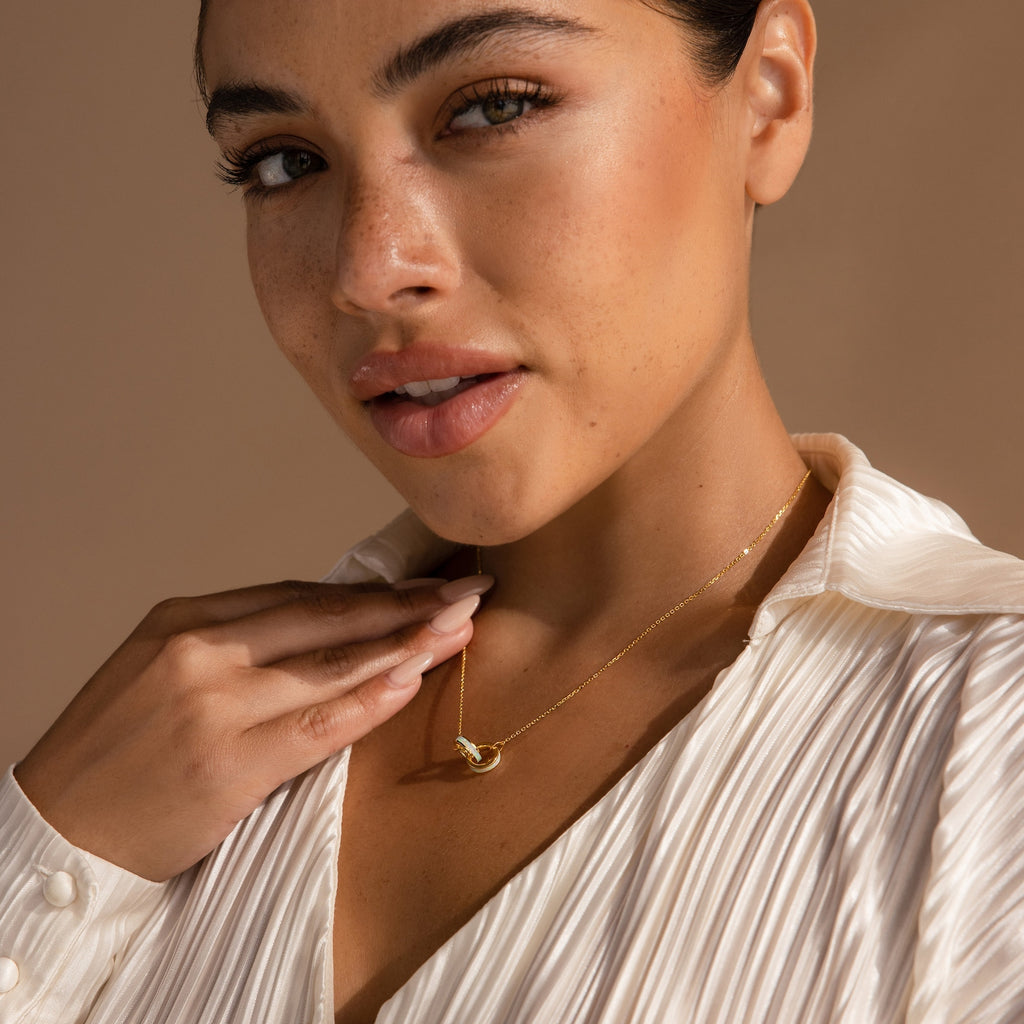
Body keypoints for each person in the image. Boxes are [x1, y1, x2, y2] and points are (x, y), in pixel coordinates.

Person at [2, 0, 1023, 1021]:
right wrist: (45, 854)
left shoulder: (982, 743)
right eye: (282, 160)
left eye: (494, 108)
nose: (370, 269)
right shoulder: (154, 775)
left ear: (767, 98)